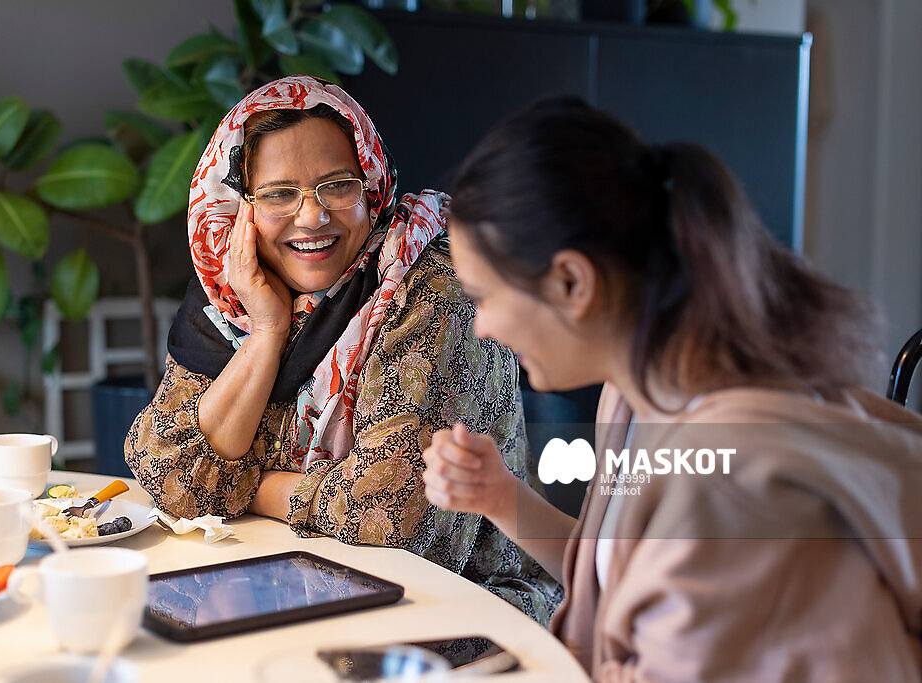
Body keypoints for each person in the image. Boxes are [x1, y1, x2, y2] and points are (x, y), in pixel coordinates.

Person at [422, 96, 922, 680]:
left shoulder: (727, 484)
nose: (481, 326)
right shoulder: (633, 398)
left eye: (483, 297)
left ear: (572, 282)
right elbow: (623, 584)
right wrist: (499, 498)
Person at [124, 76, 561, 624]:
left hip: (455, 611)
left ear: (371, 187)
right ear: (240, 210)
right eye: (279, 194)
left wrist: (241, 484)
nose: (312, 216)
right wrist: (267, 332)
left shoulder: (429, 288)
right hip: (287, 587)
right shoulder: (230, 299)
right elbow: (163, 466)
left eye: (337, 186)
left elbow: (393, 515)